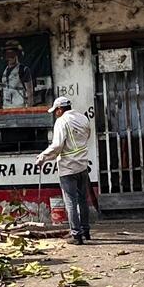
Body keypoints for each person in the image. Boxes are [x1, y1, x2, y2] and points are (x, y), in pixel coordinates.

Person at [36, 96, 93, 244]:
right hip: (82, 166)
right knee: (83, 200)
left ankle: (76, 235)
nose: (55, 114)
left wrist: (42, 157)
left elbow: (57, 146)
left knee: (71, 202)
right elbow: (87, 136)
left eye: (55, 111)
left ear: (60, 109)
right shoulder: (83, 118)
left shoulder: (61, 122)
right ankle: (86, 231)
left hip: (68, 168)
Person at [0, 41, 35, 108]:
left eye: (12, 54)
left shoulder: (23, 70)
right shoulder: (3, 71)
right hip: (6, 108)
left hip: (20, 107)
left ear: (17, 54)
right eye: (8, 54)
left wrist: (29, 109)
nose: (10, 57)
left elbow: (30, 92)